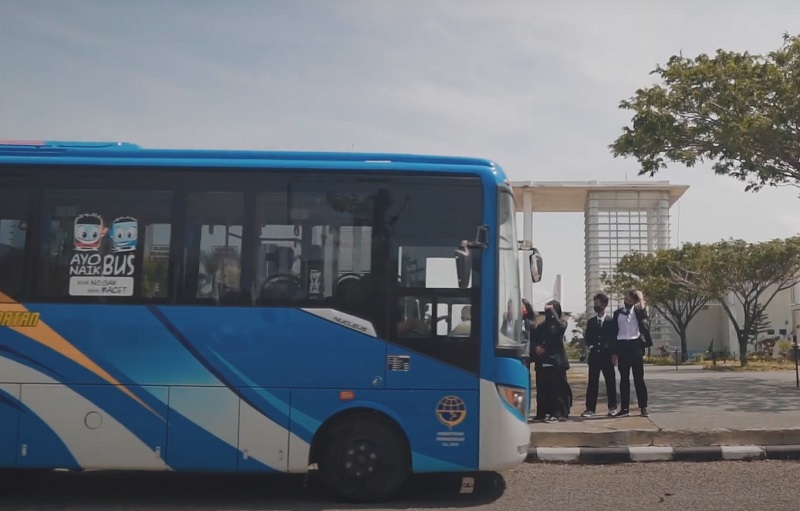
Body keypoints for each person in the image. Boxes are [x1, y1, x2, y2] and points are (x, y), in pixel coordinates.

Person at [609, 288, 653, 417]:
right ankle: (624, 409)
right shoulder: (617, 313)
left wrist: (641, 299)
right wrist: (614, 352)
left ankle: (643, 407)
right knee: (624, 379)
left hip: (635, 345)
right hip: (622, 345)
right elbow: (614, 333)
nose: (627, 302)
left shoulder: (638, 312)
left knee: (639, 378)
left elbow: (645, 315)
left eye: (630, 300)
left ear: (634, 301)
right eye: (626, 299)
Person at [530, 299, 571, 422]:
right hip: (543, 362)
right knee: (542, 390)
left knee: (557, 391)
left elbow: (558, 330)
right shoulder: (541, 326)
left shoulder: (562, 323)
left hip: (556, 363)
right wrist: (535, 348)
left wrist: (553, 313)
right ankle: (541, 413)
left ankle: (557, 412)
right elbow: (533, 339)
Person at [581, 293, 618, 417]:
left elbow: (614, 338)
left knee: (610, 383)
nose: (596, 306)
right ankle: (590, 408)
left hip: (607, 356)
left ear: (604, 305)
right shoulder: (591, 322)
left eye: (598, 304)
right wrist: (591, 346)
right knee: (592, 383)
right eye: (595, 304)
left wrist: (614, 353)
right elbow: (588, 337)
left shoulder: (611, 321)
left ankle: (612, 407)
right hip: (595, 356)